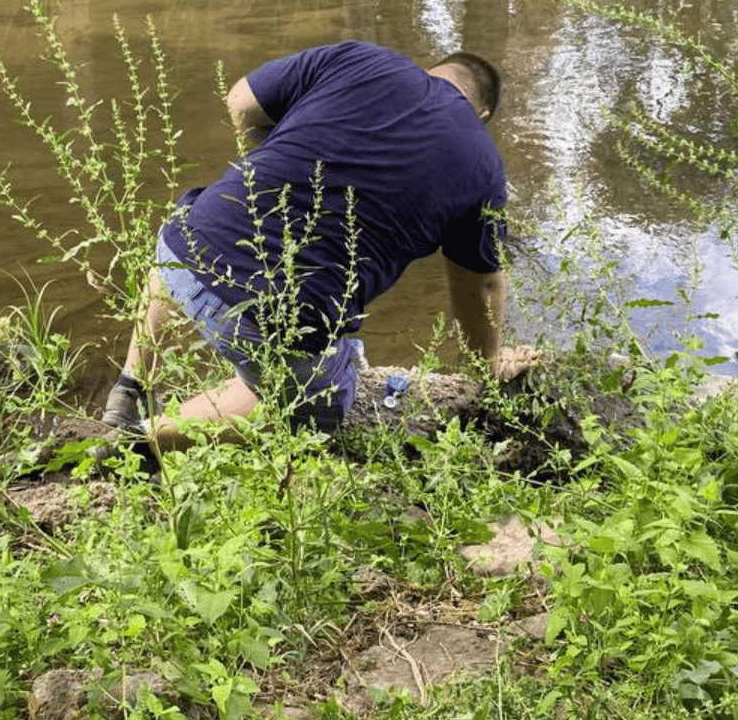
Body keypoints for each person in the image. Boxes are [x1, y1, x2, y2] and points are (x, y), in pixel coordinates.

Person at [97, 40, 532, 454]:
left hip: (179, 252)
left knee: (199, 215)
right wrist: (486, 366)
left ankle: (131, 386)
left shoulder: (360, 59)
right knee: (320, 405)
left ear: (429, 71)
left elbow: (241, 103)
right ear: (483, 112)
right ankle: (138, 441)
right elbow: (481, 285)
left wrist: (286, 149)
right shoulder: (483, 165)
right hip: (268, 316)